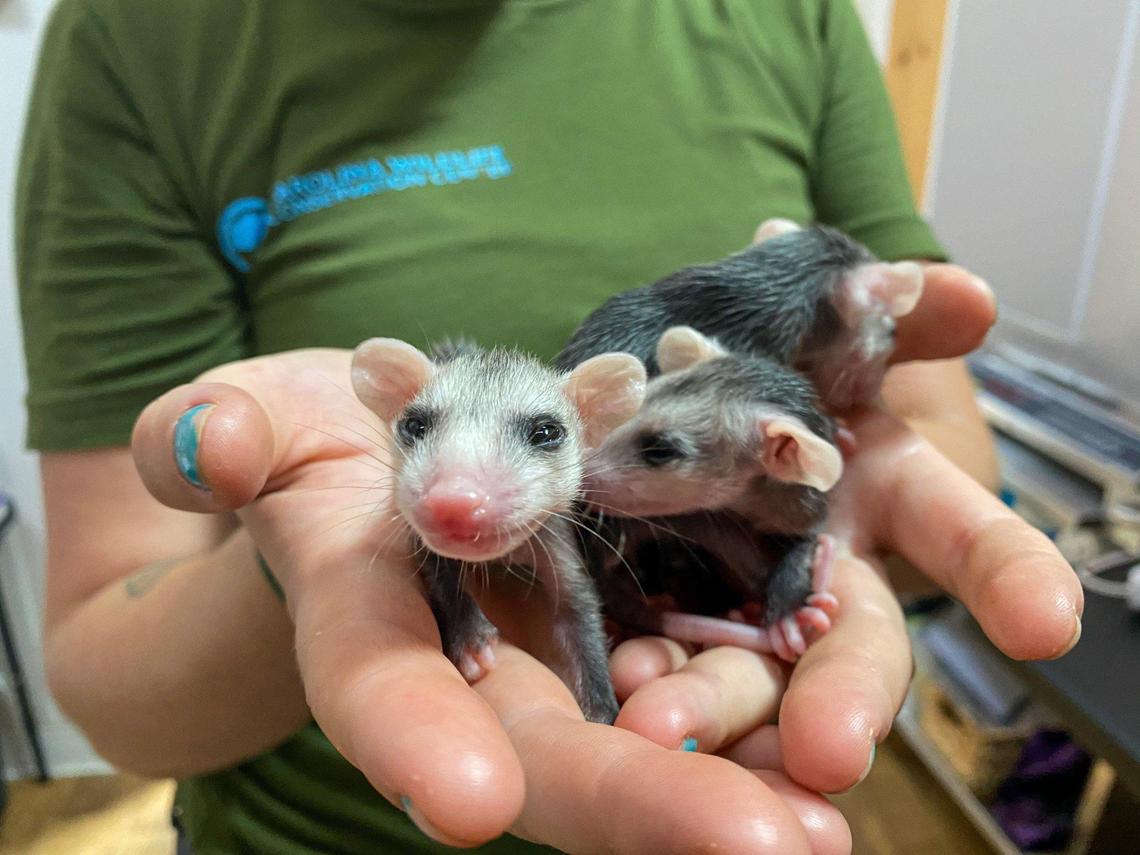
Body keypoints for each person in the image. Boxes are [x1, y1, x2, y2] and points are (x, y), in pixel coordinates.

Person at [17, 0, 1081, 852]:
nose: (451, 490)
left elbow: (942, 437)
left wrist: (839, 532)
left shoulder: (790, 17)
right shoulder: (140, 37)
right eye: (413, 435)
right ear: (388, 402)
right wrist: (300, 555)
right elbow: (109, 681)